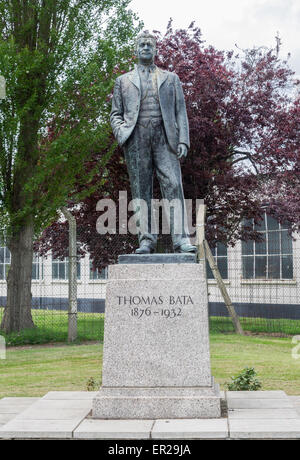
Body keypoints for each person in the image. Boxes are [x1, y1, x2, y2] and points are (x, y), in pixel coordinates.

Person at [110, 31, 196, 254]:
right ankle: (146, 240)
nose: (146, 47)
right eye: (142, 44)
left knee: (174, 185)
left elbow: (180, 112)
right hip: (136, 138)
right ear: (136, 50)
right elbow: (115, 114)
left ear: (156, 50)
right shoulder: (122, 81)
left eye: (150, 44)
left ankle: (181, 239)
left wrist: (183, 140)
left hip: (165, 137)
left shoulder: (171, 79)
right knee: (141, 190)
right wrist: (122, 134)